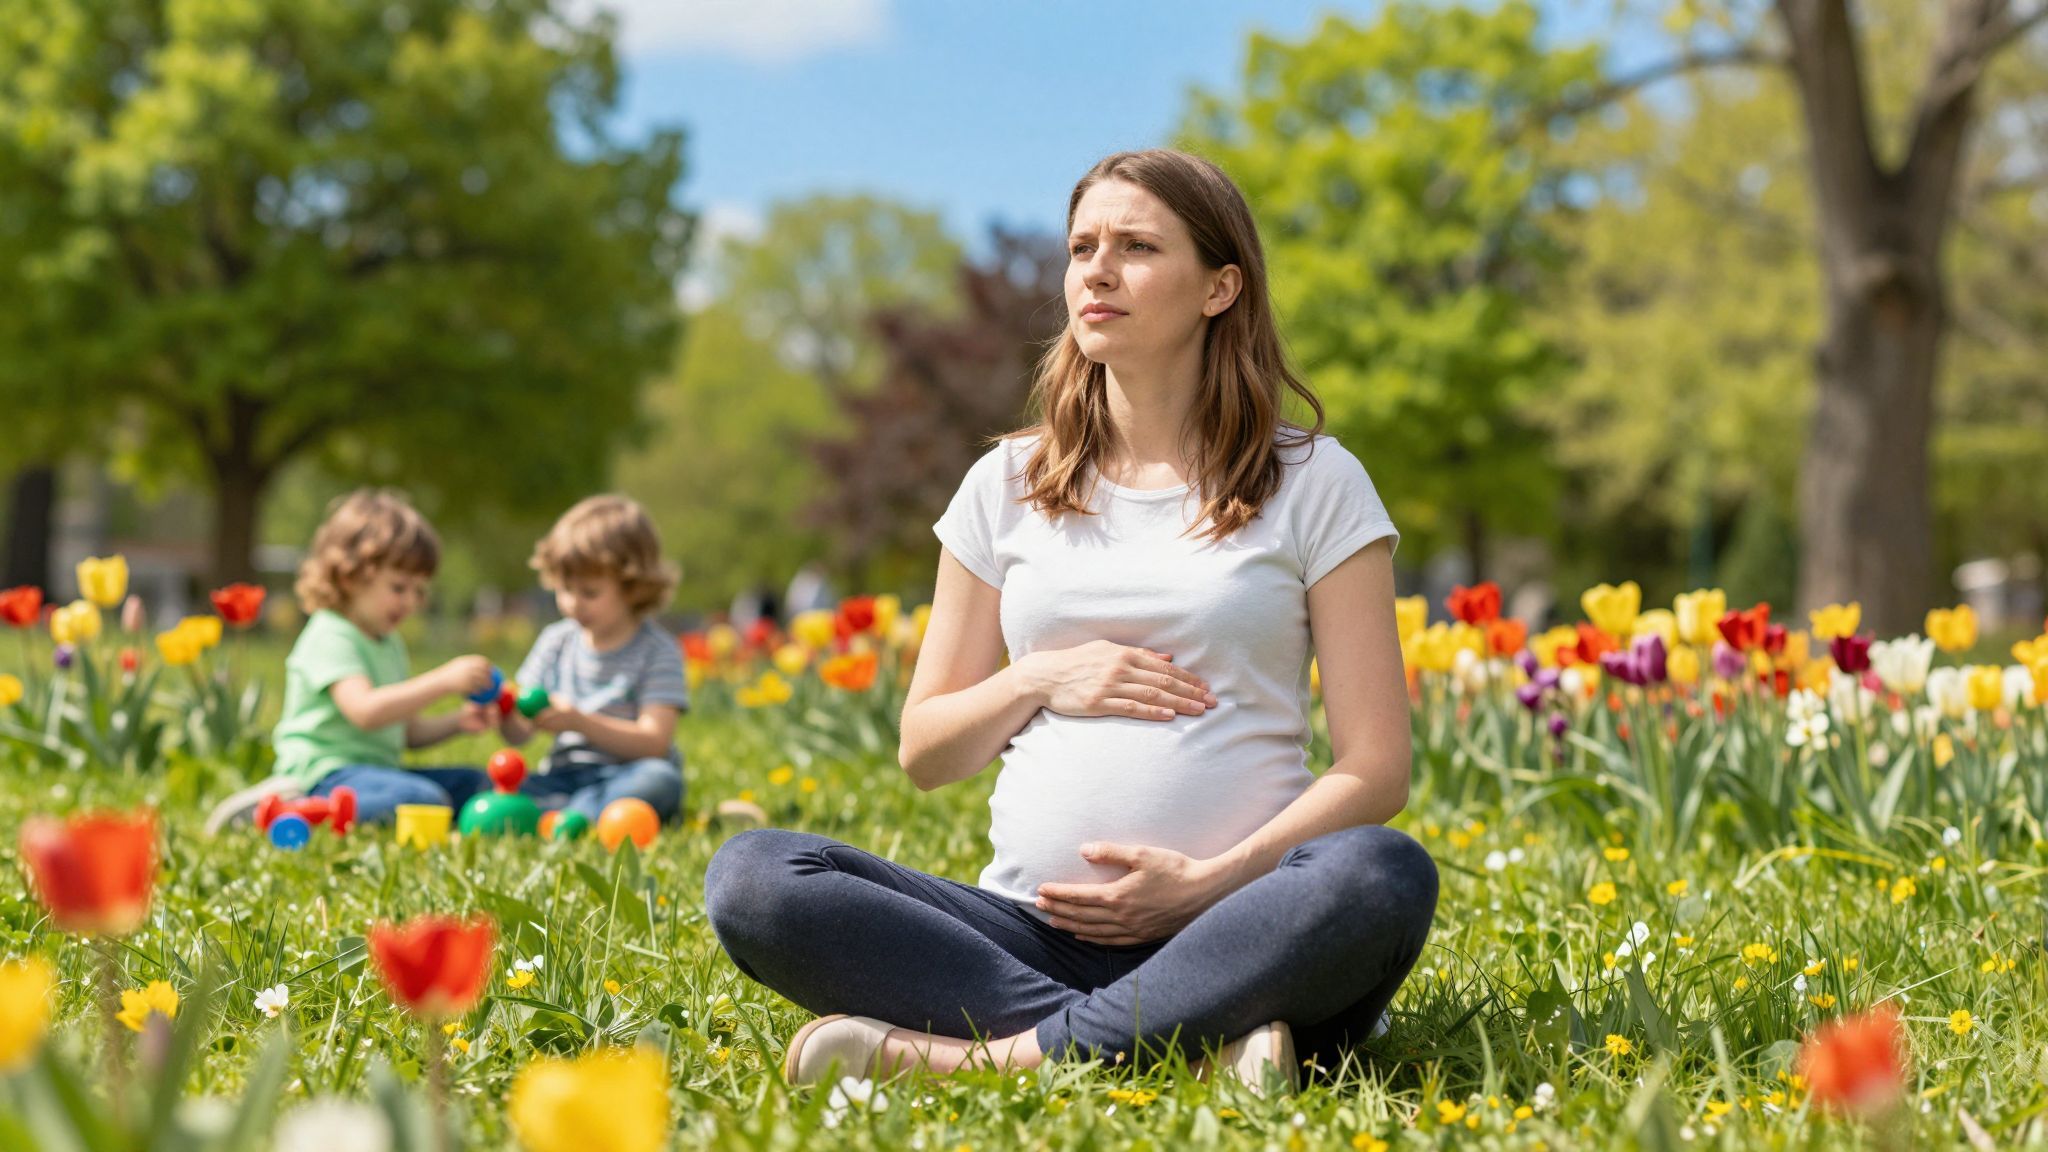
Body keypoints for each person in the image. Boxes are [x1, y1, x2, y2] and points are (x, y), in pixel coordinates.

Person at [704, 149, 1436, 1094]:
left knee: (1379, 874)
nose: (1097, 268)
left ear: (1221, 287)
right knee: (757, 877)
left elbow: (1377, 768)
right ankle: (1193, 1046)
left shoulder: (1315, 482)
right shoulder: (1004, 484)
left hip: (1241, 920)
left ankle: (999, 1061)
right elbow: (928, 753)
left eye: (1136, 246)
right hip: (1025, 935)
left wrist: (1209, 882)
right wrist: (1038, 677)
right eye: (1082, 245)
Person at [209, 489, 496, 830]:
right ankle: (288, 812)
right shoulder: (331, 634)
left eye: (419, 591)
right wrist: (443, 681)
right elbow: (366, 711)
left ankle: (335, 813)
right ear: (350, 576)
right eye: (399, 588)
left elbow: (403, 732)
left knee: (478, 785)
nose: (411, 603)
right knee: (423, 800)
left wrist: (457, 721)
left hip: (375, 776)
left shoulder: (389, 643)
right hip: (325, 775)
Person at [497, 495, 689, 823]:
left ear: (633, 588)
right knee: (497, 784)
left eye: (589, 593)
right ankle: (576, 813)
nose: (573, 603)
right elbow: (520, 734)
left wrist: (580, 722)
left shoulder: (658, 650)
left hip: (627, 775)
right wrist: (504, 711)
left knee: (660, 781)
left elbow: (655, 742)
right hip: (563, 775)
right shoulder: (556, 641)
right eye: (564, 589)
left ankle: (569, 815)